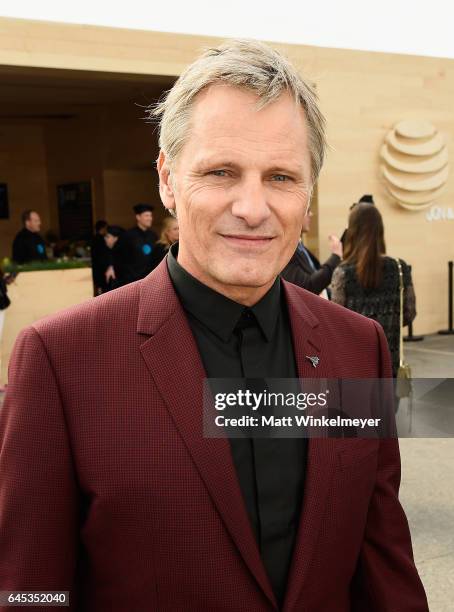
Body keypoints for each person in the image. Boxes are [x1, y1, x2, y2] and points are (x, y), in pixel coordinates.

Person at [0, 40, 427, 611]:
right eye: (222, 171)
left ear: (308, 195)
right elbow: (32, 592)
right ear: (168, 180)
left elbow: (384, 569)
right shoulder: (61, 360)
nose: (252, 207)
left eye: (280, 177)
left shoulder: (358, 347)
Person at [331, 202, 416, 378]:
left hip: (354, 367)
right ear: (380, 231)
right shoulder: (400, 268)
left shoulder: (343, 273)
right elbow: (409, 314)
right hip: (390, 366)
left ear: (352, 232)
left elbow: (336, 323)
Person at [281, 209, 342, 296]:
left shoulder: (299, 245)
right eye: (307, 210)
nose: (311, 214)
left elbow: (315, 273)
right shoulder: (287, 250)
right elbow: (308, 287)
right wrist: (335, 256)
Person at [113, 203, 159, 286]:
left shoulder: (153, 236)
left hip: (149, 279)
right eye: (147, 216)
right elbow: (118, 257)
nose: (150, 218)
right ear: (138, 217)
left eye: (151, 216)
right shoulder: (127, 236)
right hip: (132, 280)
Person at [90, 220, 110, 295]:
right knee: (102, 291)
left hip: (97, 268)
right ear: (102, 228)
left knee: (99, 288)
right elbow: (103, 255)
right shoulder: (101, 240)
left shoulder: (94, 239)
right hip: (101, 269)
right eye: (106, 228)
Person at [103, 225, 125, 291]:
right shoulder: (109, 251)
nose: (105, 238)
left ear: (116, 238)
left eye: (108, 236)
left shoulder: (121, 255)